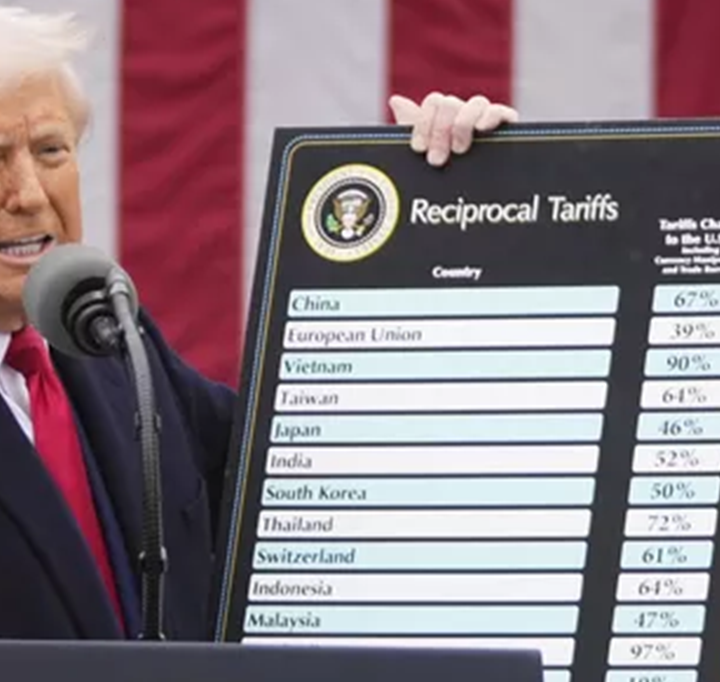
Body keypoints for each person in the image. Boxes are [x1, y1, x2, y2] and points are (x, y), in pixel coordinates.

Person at [0, 6, 516, 641]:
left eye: (50, 150)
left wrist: (456, 210)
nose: (29, 193)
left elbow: (318, 475)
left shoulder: (111, 341)